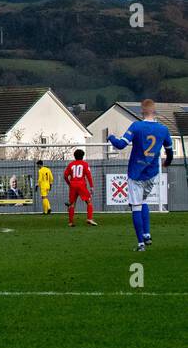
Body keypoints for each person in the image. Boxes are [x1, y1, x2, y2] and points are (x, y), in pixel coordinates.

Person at [108, 99, 173, 251]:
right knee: (143, 202)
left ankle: (141, 244)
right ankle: (147, 233)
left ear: (141, 111)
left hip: (136, 173)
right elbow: (169, 152)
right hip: (152, 173)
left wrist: (110, 137)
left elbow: (120, 145)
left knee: (136, 206)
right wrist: (167, 163)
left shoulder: (136, 126)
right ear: (154, 111)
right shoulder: (163, 129)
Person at [63, 149, 95, 227]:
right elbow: (89, 176)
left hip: (73, 185)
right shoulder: (85, 164)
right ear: (83, 156)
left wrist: (69, 183)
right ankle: (89, 218)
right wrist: (91, 186)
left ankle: (70, 222)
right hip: (81, 185)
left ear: (74, 156)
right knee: (89, 202)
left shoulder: (71, 164)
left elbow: (65, 176)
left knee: (72, 204)